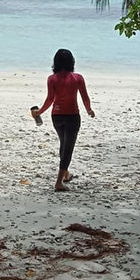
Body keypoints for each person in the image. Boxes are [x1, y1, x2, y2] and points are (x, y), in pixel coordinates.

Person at [31, 49, 95, 192]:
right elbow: (85, 97)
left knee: (64, 143)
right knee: (68, 148)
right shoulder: (78, 78)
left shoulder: (51, 79)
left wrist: (39, 112)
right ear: (72, 62)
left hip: (57, 116)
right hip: (72, 116)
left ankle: (66, 174)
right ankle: (59, 182)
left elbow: (50, 99)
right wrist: (89, 110)